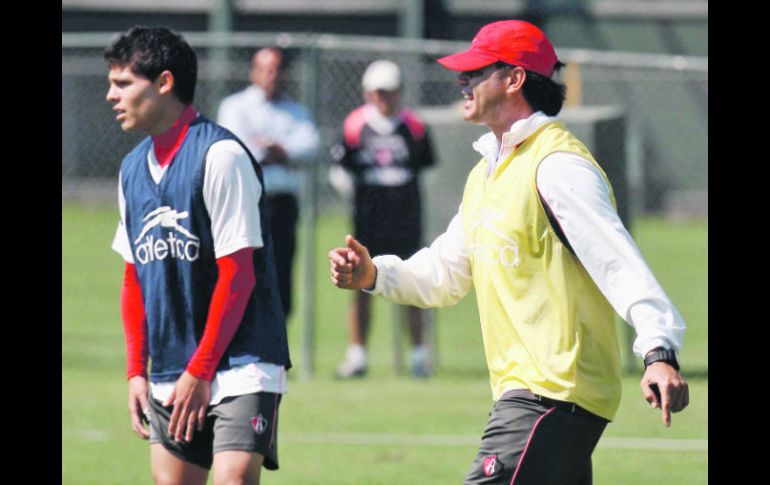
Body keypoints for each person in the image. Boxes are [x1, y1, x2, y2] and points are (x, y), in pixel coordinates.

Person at [328, 20, 689, 485]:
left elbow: (619, 263)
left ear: (515, 78)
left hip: (552, 395)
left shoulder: (558, 166)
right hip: (536, 399)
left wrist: (659, 350)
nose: (464, 80)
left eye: (477, 70)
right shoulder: (487, 173)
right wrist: (374, 274)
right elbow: (445, 272)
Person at [106, 26, 291, 485]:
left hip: (242, 362)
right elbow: (134, 278)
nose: (111, 95)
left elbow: (238, 274)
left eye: (123, 83)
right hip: (172, 366)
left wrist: (201, 368)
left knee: (233, 479)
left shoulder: (220, 155)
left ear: (164, 82)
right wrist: (136, 370)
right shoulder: (131, 170)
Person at [330, 59, 436, 379]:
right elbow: (339, 170)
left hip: (405, 217)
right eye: (378, 92)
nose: (383, 99)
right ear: (367, 93)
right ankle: (357, 355)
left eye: (389, 92)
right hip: (369, 219)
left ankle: (418, 356)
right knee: (362, 285)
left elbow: (427, 170)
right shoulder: (354, 125)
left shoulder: (414, 126)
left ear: (399, 92)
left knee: (413, 283)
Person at [217, 47, 320, 320]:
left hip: (282, 204)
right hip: (245, 204)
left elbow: (309, 146)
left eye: (276, 69)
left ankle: (274, 348)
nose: (270, 76)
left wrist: (275, 149)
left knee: (280, 273)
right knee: (243, 273)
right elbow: (237, 148)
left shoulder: (296, 112)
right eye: (264, 69)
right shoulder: (235, 106)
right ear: (253, 71)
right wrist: (275, 152)